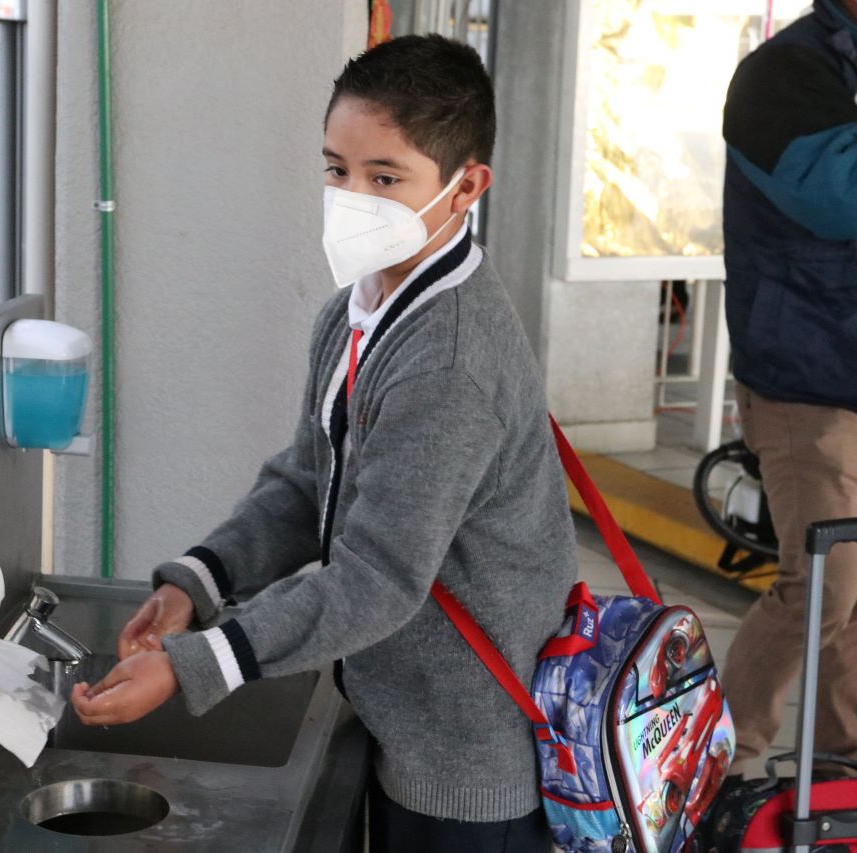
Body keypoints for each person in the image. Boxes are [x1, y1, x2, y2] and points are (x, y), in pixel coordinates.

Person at [70, 34, 577, 852]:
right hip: (399, 711)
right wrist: (197, 583)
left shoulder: (449, 358)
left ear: (466, 186)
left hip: (466, 756)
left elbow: (376, 577)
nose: (350, 197)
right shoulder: (357, 311)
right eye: (336, 168)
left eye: (385, 178)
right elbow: (310, 478)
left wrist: (196, 662)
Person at [718, 0, 857, 779]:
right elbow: (839, 194)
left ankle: (846, 768)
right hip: (805, 379)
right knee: (821, 586)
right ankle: (719, 764)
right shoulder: (781, 76)